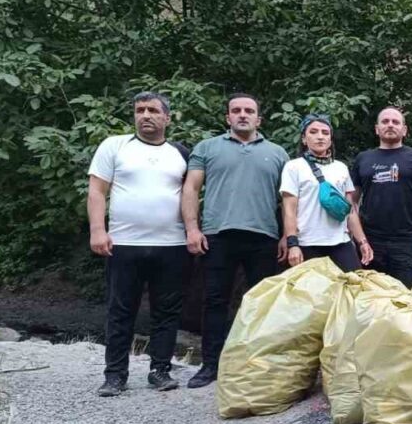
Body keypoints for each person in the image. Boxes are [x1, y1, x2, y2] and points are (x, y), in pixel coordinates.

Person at [182, 93, 289, 389]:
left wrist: (287, 236)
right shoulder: (208, 148)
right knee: (214, 301)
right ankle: (210, 365)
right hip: (218, 234)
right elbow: (191, 189)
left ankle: (255, 365)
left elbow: (288, 200)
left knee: (261, 305)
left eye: (249, 110)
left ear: (259, 119)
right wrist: (192, 229)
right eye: (236, 110)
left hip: (264, 237)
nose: (243, 115)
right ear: (227, 117)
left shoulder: (278, 153)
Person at [87, 91, 191, 396]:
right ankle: (115, 375)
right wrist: (97, 230)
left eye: (153, 110)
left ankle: (160, 371)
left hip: (172, 244)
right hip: (124, 242)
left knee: (167, 311)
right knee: (120, 310)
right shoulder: (114, 146)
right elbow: (96, 191)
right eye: (140, 110)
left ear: (167, 118)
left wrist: (193, 231)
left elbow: (190, 197)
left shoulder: (182, 153)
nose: (145, 115)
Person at [350, 106, 412, 287]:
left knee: (405, 299)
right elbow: (351, 202)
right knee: (370, 298)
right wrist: (360, 240)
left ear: (404, 130)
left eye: (395, 122)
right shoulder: (363, 159)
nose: (390, 125)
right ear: (377, 129)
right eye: (385, 121)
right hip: (370, 241)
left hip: (407, 241)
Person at [280, 114, 372, 271]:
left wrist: (362, 241)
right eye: (313, 132)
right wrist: (293, 244)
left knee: (352, 287)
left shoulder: (340, 167)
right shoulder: (293, 167)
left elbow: (350, 210)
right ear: (304, 139)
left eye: (325, 133)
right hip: (307, 243)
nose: (320, 137)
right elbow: (289, 209)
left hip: (339, 242)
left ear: (330, 139)